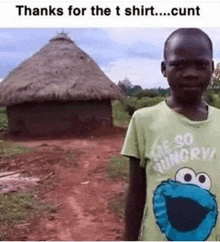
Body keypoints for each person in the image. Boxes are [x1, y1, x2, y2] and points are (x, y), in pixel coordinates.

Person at [121, 28, 220, 241]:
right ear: (164, 69)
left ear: (212, 68)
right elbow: (136, 194)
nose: (191, 73)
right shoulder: (144, 121)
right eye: (179, 65)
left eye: (201, 65)